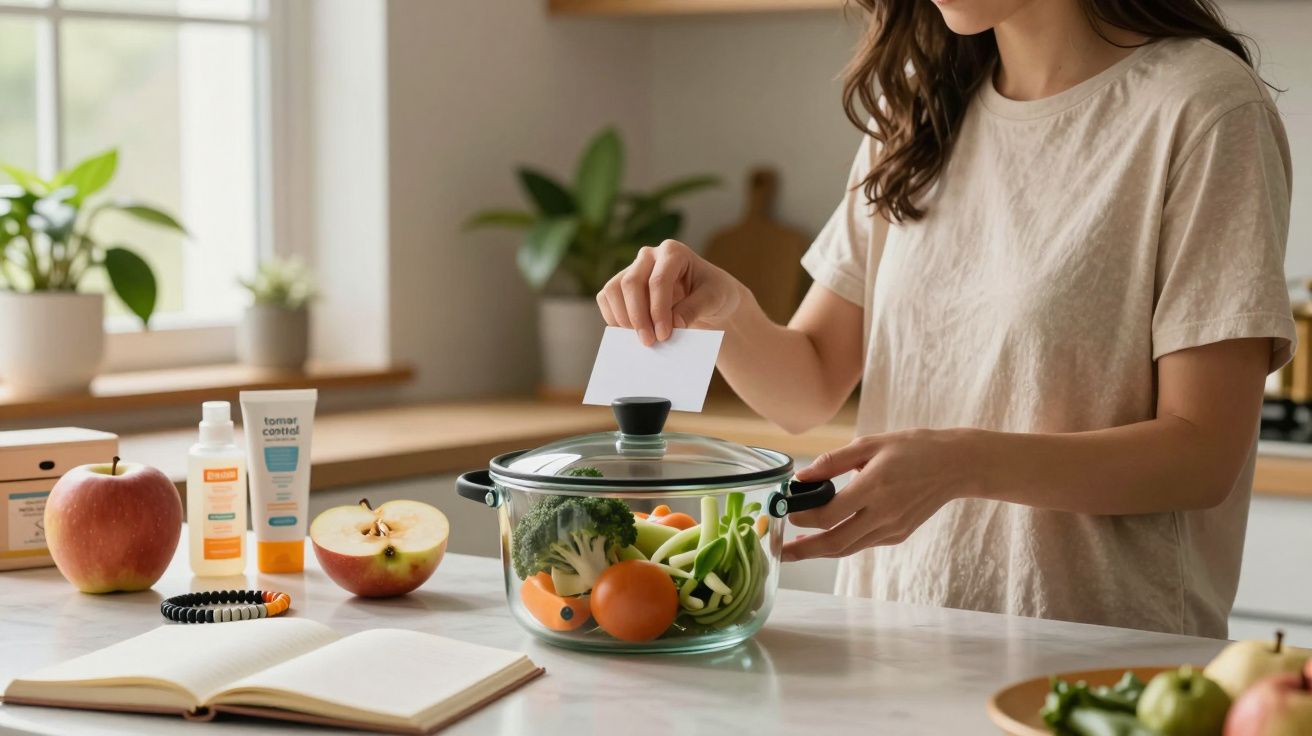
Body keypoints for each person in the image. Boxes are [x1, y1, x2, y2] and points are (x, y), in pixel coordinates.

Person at [595, 0, 1296, 637]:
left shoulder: (1199, 107)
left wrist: (960, 464)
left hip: (1098, 659)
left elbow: (1202, 455)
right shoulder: (918, 109)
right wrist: (726, 311)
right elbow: (806, 387)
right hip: (891, 642)